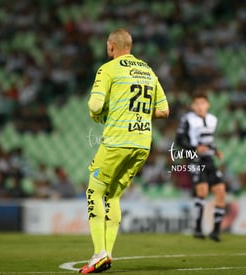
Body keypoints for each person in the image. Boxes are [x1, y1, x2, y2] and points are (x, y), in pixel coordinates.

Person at [80, 28, 169, 274]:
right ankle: (107, 254)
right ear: (130, 46)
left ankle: (99, 252)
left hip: (117, 141)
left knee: (94, 192)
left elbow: (95, 104)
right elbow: (164, 111)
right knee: (113, 196)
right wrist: (136, 113)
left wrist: (100, 111)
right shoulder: (148, 71)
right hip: (142, 144)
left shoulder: (108, 69)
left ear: (111, 47)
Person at [175, 93, 226, 242]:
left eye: (202, 103)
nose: (199, 107)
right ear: (192, 106)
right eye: (196, 104)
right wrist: (194, 148)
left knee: (221, 192)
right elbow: (179, 140)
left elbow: (209, 139)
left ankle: (215, 231)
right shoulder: (187, 119)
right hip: (195, 160)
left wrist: (216, 150)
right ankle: (197, 228)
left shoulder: (212, 119)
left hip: (209, 160)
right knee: (202, 191)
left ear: (208, 105)